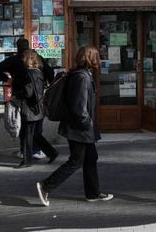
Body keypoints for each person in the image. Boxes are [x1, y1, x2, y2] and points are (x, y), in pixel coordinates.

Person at [36, 45, 113, 206]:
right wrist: (87, 124)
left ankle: (93, 193)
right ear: (90, 58)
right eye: (97, 56)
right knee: (76, 161)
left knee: (91, 157)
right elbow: (79, 107)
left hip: (80, 127)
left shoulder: (79, 74)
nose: (99, 59)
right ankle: (46, 185)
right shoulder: (82, 77)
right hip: (79, 128)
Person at [0, 38, 57, 162]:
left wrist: (7, 79)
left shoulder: (16, 61)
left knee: (27, 129)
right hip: (38, 100)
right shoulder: (37, 61)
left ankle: (28, 154)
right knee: (34, 129)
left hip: (24, 99)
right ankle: (36, 152)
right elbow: (50, 73)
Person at [14, 49, 58, 168]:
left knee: (27, 135)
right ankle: (52, 152)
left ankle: (27, 160)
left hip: (29, 108)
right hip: (39, 107)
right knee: (35, 134)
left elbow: (28, 93)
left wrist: (17, 94)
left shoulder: (27, 74)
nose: (22, 59)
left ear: (27, 60)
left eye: (24, 58)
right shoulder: (39, 72)